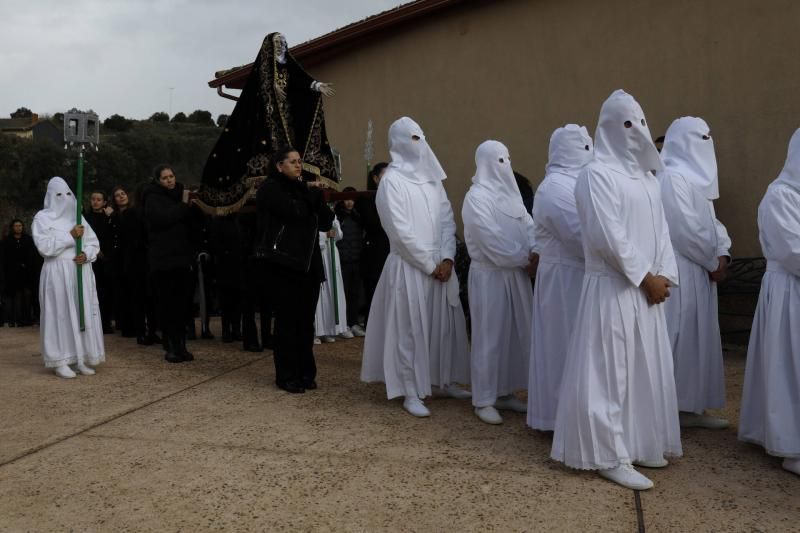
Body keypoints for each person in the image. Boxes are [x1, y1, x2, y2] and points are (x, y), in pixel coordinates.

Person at [550, 90, 682, 491]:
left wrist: (663, 276)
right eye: (626, 123)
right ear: (606, 127)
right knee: (610, 372)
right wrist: (644, 276)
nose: (636, 131)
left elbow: (661, 231)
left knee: (644, 370)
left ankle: (640, 443)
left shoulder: (646, 177)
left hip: (647, 291)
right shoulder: (595, 174)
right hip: (613, 288)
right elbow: (607, 234)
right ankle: (608, 453)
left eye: (640, 122)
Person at [361, 117, 471, 418]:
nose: (418, 143)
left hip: (440, 266)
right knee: (410, 330)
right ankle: (411, 389)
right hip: (411, 266)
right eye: (412, 138)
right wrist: (428, 263)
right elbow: (398, 230)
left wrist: (447, 257)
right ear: (397, 142)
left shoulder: (433, 181)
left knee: (445, 327)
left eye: (420, 137)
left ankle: (443, 379)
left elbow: (447, 220)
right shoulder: (391, 182)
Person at [198, 32, 337, 214]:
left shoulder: (288, 66)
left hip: (286, 117)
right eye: (278, 42)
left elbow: (300, 79)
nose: (282, 45)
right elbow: (254, 97)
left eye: (284, 42)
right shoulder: (261, 71)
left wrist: (316, 86)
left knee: (289, 147)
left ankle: (291, 177)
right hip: (265, 122)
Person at [660, 117, 732, 429]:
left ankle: (690, 407)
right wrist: (712, 261)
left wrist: (723, 252)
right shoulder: (672, 177)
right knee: (677, 334)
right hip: (681, 268)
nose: (707, 142)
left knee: (696, 337)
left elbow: (713, 226)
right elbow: (684, 230)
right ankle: (667, 409)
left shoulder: (696, 182)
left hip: (701, 268)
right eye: (700, 137)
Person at [739, 128, 800, 476]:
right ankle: (790, 444)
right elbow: (793, 251)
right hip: (790, 293)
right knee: (789, 367)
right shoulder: (780, 196)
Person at [462, 140, 536, 425]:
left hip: (517, 274)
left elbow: (529, 227)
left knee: (516, 334)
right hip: (491, 275)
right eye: (498, 159)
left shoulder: (513, 197)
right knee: (489, 335)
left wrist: (534, 252)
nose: (504, 164)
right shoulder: (476, 197)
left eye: (507, 158)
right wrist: (524, 258)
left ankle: (505, 392)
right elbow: (489, 239)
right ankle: (483, 398)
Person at [527, 124, 593, 432]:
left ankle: (579, 415)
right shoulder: (554, 186)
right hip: (564, 276)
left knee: (580, 348)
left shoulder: (583, 182)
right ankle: (556, 418)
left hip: (584, 275)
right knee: (561, 345)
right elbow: (581, 236)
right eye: (581, 145)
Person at [256, 147, 335, 393]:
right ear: (279, 166)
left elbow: (326, 220)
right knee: (287, 322)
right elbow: (294, 212)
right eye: (292, 162)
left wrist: (317, 198)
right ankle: (286, 375)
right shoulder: (270, 188)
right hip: (284, 264)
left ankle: (305, 372)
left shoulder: (304, 188)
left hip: (307, 265)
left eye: (300, 161)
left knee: (305, 322)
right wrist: (311, 198)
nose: (298, 165)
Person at [32, 177, 105, 378]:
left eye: (67, 194)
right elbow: (44, 247)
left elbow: (93, 243)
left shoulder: (78, 218)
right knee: (61, 314)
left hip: (79, 270)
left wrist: (87, 255)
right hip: (56, 272)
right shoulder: (42, 218)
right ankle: (61, 360)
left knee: (81, 313)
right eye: (58, 195)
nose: (63, 198)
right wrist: (70, 236)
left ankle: (80, 357)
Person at [142, 165, 196, 363]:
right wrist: (183, 206)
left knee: (183, 306)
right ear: (158, 180)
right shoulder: (152, 198)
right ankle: (171, 346)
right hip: (163, 261)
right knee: (168, 305)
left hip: (182, 258)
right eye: (165, 178)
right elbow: (163, 219)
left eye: (171, 176)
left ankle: (181, 345)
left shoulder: (181, 195)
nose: (170, 180)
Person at [356, 163, 390, 326]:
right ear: (375, 178)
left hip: (391, 248)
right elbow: (372, 223)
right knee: (374, 288)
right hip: (375, 250)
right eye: (385, 175)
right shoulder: (367, 200)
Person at [83, 190, 115, 333]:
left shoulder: (108, 217)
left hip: (107, 259)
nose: (95, 202)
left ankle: (106, 322)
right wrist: (94, 251)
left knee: (106, 291)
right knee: (92, 290)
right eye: (93, 199)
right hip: (91, 259)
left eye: (99, 199)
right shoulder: (85, 218)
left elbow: (112, 235)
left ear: (104, 202)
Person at [314, 217, 351, 343]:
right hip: (322, 255)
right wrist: (325, 235)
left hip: (332, 256)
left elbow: (339, 235)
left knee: (333, 294)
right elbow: (314, 236)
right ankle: (317, 331)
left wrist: (335, 227)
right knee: (321, 293)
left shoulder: (332, 215)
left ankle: (328, 329)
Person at [335, 187, 366, 336]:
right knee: (344, 294)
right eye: (347, 199)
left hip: (357, 259)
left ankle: (353, 322)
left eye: (352, 199)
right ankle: (344, 324)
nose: (349, 203)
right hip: (343, 261)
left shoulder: (358, 216)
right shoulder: (338, 217)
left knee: (355, 294)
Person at [2, 219, 37, 327]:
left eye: (20, 225)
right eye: (16, 226)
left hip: (26, 273)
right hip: (13, 274)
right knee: (16, 297)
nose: (18, 228)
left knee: (27, 296)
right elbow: (6, 257)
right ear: (12, 227)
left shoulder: (28, 239)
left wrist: (26, 265)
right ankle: (16, 319)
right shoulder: (7, 241)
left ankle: (27, 319)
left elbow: (32, 255)